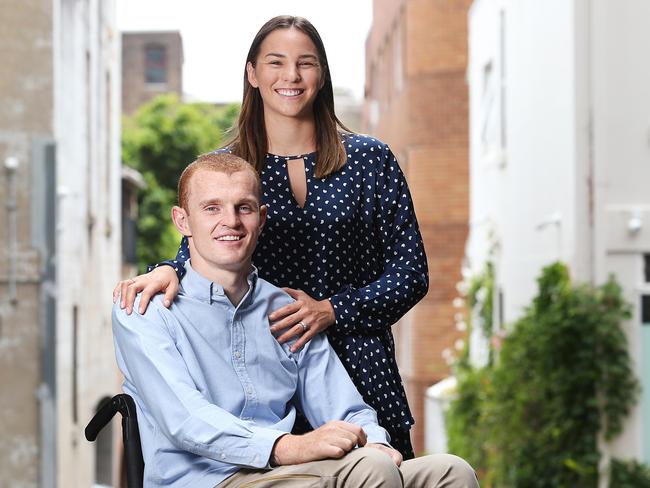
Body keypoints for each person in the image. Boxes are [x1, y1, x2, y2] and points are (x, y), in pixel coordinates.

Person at [115, 15, 428, 459]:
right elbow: (199, 253)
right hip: (264, 375)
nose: (291, 76)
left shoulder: (369, 160)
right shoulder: (228, 168)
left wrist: (332, 310)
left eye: (306, 63)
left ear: (322, 75)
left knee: (381, 470)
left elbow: (411, 273)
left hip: (359, 368)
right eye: (276, 62)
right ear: (252, 73)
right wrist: (164, 269)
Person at [112, 152, 478, 487]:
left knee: (450, 473)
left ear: (262, 217)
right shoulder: (145, 308)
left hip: (285, 473)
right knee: (371, 470)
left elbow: (344, 405)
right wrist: (289, 447)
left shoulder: (284, 306)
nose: (231, 221)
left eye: (244, 208)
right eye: (212, 208)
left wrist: (377, 441)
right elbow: (185, 419)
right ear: (183, 220)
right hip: (206, 479)